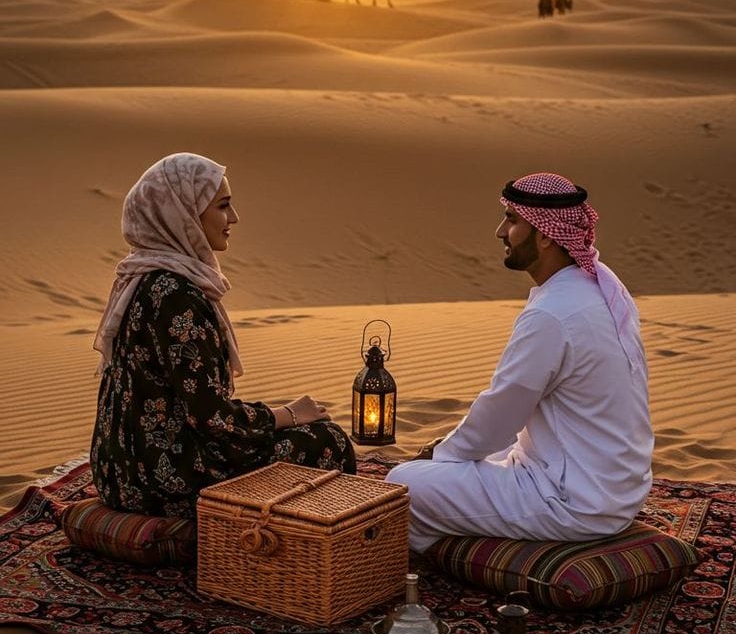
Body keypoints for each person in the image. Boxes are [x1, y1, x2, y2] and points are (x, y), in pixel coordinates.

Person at [387, 172, 653, 551]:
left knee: (403, 484)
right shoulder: (602, 288)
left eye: (512, 220)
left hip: (573, 500)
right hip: (614, 487)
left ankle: (435, 557)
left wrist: (440, 455)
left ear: (544, 235)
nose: (500, 231)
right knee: (473, 458)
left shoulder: (553, 313)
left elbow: (500, 416)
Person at [91, 153, 355, 519]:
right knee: (328, 441)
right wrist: (288, 414)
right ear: (185, 214)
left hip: (115, 470)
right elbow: (212, 418)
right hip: (163, 478)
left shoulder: (141, 278)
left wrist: (273, 416)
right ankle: (301, 542)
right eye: (223, 206)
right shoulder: (177, 296)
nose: (234, 218)